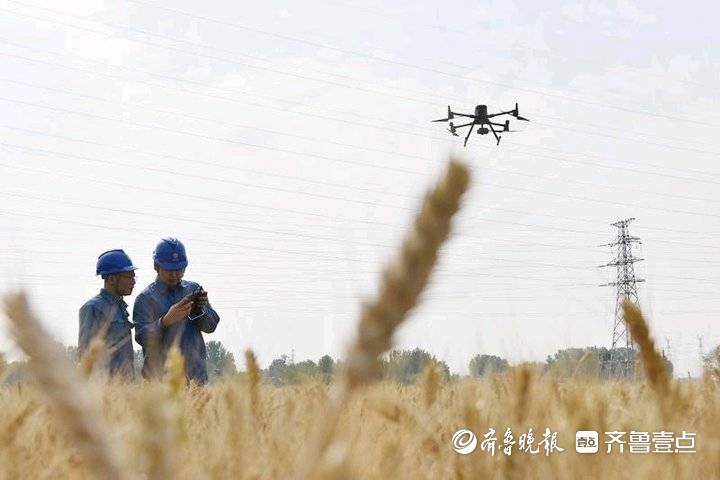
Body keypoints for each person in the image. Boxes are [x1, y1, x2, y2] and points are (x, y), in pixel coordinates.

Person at [133, 237, 220, 383]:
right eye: (169, 270)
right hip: (161, 383)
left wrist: (200, 310)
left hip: (196, 381)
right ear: (156, 266)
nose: (174, 275)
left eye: (179, 270)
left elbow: (211, 327)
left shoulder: (193, 289)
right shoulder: (145, 299)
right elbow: (141, 337)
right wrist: (165, 321)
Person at [78, 249, 137, 379]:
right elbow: (86, 356)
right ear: (111, 279)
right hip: (104, 390)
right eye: (129, 277)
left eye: (134, 276)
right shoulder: (93, 308)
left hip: (125, 388)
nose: (133, 282)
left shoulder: (121, 308)